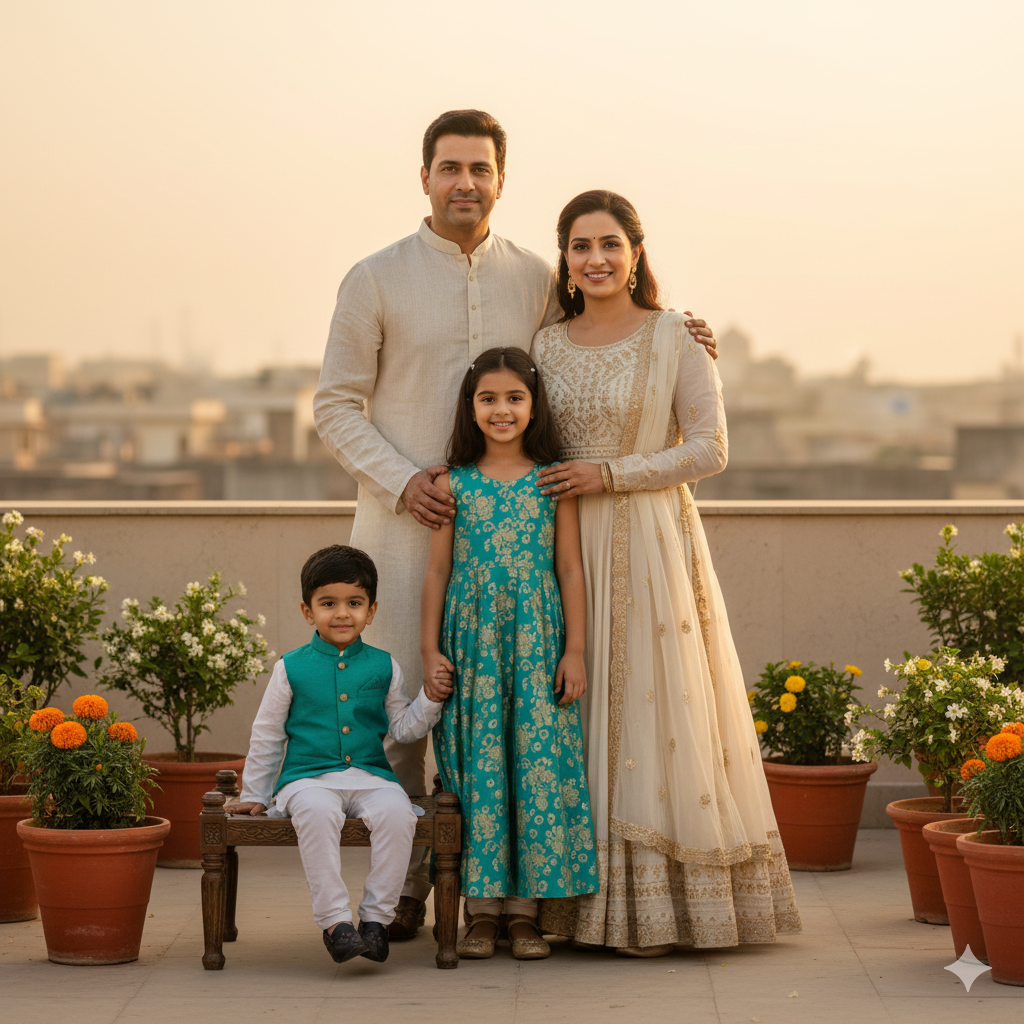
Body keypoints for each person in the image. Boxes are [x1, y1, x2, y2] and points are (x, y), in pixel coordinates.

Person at [313, 108, 718, 937]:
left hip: (523, 533)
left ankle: (467, 897)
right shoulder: (375, 277)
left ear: (502, 180)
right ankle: (401, 894)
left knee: (505, 724)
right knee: (409, 720)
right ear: (423, 176)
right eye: (450, 167)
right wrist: (405, 480)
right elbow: (334, 404)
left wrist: (684, 330)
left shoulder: (535, 274)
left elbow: (593, 338)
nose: (466, 182)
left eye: (482, 169)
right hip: (404, 527)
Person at [530, 191, 802, 956]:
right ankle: (568, 902)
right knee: (569, 709)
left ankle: (660, 907)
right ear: (565, 259)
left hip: (647, 537)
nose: (597, 259)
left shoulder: (674, 335)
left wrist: (611, 475)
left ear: (637, 252)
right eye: (581, 246)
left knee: (653, 711)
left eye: (611, 244)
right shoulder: (545, 344)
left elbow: (711, 449)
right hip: (561, 540)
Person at [420, 347, 599, 960]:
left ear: (533, 404)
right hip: (472, 646)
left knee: (535, 764)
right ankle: (480, 910)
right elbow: (437, 572)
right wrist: (428, 651)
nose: (502, 410)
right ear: (470, 408)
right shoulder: (452, 483)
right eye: (488, 398)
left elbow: (570, 569)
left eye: (514, 398)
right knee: (480, 766)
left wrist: (574, 650)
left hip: (537, 643)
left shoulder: (553, 481)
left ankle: (525, 912)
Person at [226, 545, 444, 965]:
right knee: (316, 812)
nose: (342, 613)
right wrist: (255, 792)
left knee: (399, 814)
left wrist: (430, 700)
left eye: (354, 603)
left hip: (371, 778)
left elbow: (401, 729)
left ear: (371, 610)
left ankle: (377, 920)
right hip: (307, 780)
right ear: (308, 612)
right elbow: (268, 734)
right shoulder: (290, 667)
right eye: (328, 603)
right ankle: (335, 924)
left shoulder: (385, 666)